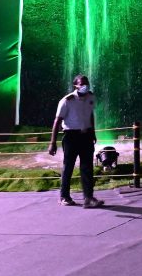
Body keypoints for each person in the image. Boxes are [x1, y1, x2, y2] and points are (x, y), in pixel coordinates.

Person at [47, 74, 104, 209]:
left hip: (87, 136)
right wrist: (52, 142)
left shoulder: (91, 97)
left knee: (87, 167)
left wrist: (93, 132)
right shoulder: (67, 101)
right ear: (75, 86)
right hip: (71, 136)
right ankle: (64, 196)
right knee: (68, 166)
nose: (85, 86)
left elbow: (90, 114)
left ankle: (88, 198)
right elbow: (57, 121)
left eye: (87, 83)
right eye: (82, 84)